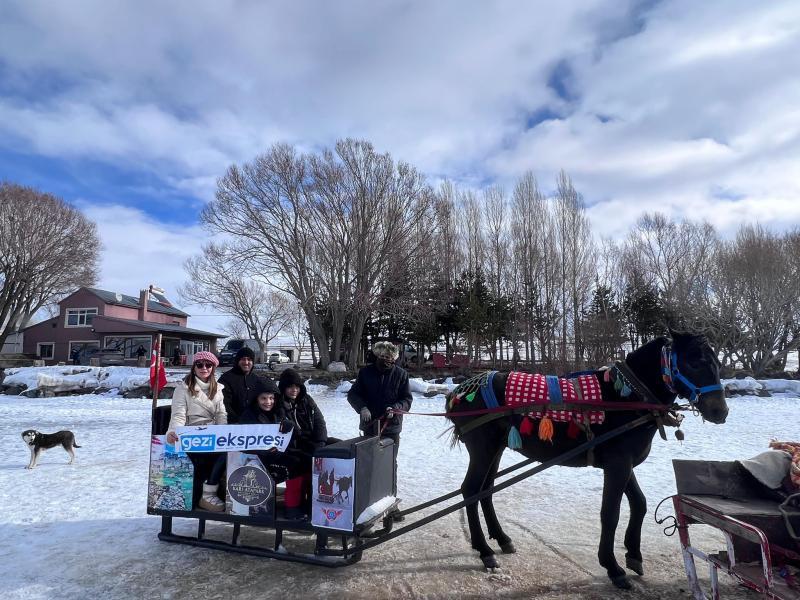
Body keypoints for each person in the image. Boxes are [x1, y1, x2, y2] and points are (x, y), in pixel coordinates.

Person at [347, 341, 412, 509]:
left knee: (390, 464)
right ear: (377, 355)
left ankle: (391, 503)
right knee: (368, 464)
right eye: (382, 356)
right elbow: (353, 394)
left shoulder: (402, 374)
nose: (385, 360)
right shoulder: (365, 373)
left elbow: (407, 400)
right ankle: (367, 503)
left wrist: (396, 408)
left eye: (389, 357)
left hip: (391, 428)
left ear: (394, 358)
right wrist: (362, 407)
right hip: (370, 425)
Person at [239, 379, 309, 519]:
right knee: (294, 465)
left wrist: (290, 426)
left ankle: (304, 501)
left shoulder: (278, 412)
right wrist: (261, 451)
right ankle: (292, 507)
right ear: (256, 399)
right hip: (257, 459)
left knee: (307, 460)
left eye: (271, 398)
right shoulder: (249, 416)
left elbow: (293, 436)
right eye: (264, 398)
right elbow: (243, 444)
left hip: (277, 453)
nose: (268, 402)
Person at [166, 351, 227, 512]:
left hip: (214, 434)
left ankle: (217, 490)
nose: (204, 368)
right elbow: (178, 414)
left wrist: (224, 435)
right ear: (194, 367)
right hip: (194, 435)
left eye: (208, 365)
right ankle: (207, 495)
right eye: (199, 364)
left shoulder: (218, 388)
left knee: (230, 451)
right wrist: (173, 431)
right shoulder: (183, 389)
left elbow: (221, 413)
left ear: (213, 368)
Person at [278, 368, 331, 518]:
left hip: (311, 441)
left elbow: (320, 422)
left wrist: (320, 443)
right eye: (290, 387)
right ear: (284, 387)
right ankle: (293, 507)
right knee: (300, 464)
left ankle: (320, 502)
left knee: (337, 448)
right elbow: (281, 424)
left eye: (297, 386)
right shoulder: (279, 403)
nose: (294, 390)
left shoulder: (307, 400)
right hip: (292, 445)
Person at [219, 346, 264, 424]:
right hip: (232, 424)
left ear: (253, 362)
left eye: (249, 359)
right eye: (243, 359)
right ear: (237, 361)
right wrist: (236, 420)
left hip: (254, 423)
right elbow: (223, 403)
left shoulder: (256, 379)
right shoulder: (226, 379)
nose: (246, 362)